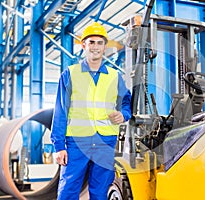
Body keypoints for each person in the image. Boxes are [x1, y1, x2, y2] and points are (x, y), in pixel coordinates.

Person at [50, 22, 132, 200]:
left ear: (104, 47)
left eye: (100, 42)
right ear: (83, 45)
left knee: (101, 191)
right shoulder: (70, 74)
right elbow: (60, 111)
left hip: (105, 141)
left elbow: (127, 102)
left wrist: (123, 115)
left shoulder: (114, 76)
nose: (95, 46)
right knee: (68, 190)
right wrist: (58, 146)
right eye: (91, 42)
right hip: (77, 142)